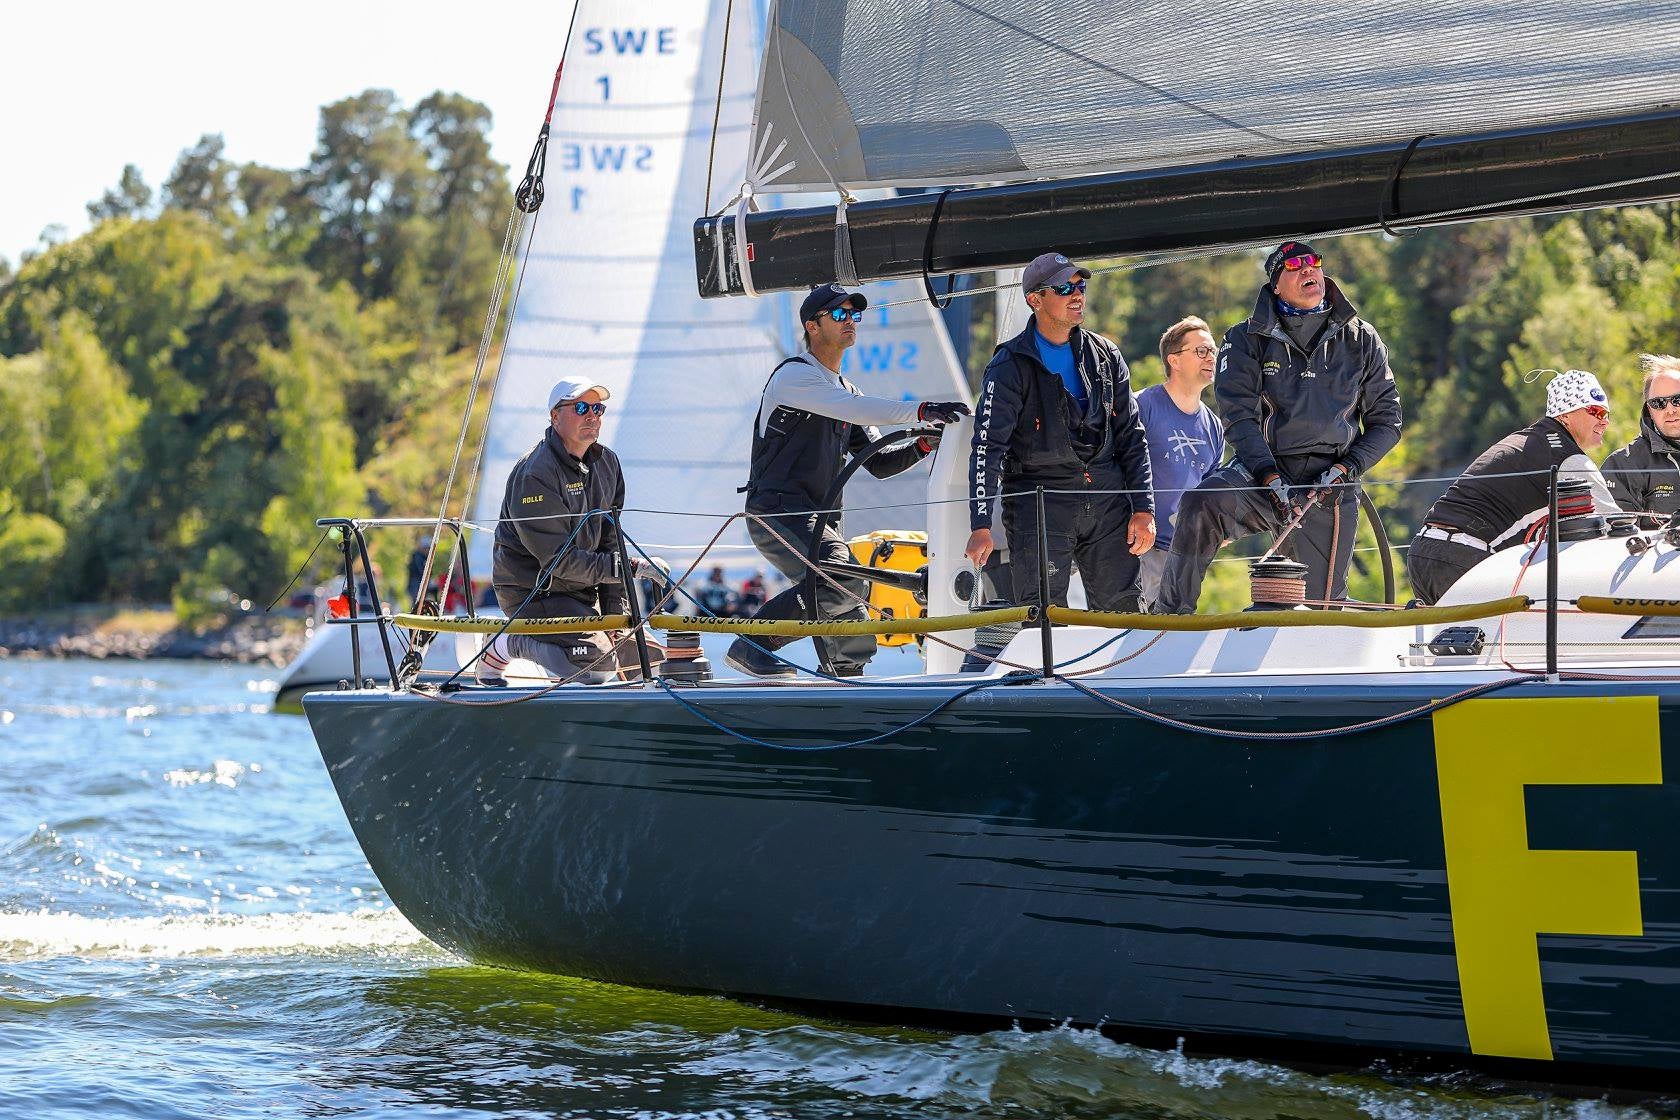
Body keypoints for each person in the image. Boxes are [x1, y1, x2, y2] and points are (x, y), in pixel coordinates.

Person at [727, 284, 972, 678]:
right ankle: (752, 644)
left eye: (853, 315)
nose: (849, 322)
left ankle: (845, 686)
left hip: (820, 521)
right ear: (812, 326)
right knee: (840, 580)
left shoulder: (845, 390)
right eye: (838, 315)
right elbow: (855, 408)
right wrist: (922, 409)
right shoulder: (794, 377)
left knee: (854, 625)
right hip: (780, 513)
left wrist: (924, 444)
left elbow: (880, 464)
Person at [1155, 241, 1403, 613]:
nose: (1308, 270)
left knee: (1320, 610)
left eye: (1314, 262)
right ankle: (1171, 618)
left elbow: (1388, 422)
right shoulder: (1243, 339)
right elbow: (1239, 416)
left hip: (1329, 484)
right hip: (1260, 473)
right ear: (1275, 284)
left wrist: (1347, 468)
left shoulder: (1362, 338)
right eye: (1294, 266)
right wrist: (1268, 475)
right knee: (1200, 503)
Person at [965, 252, 1156, 610]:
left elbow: (1132, 435)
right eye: (1064, 288)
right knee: (1043, 621)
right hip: (1039, 502)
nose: (1077, 294)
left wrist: (1144, 509)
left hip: (1107, 500)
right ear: (1034, 300)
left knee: (1125, 614)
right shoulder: (1008, 365)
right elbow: (987, 448)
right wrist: (980, 524)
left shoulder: (1106, 354)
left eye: (1080, 285)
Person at [482, 376, 648, 685]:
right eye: (581, 407)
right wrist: (631, 567)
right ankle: (503, 643)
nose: (592, 416)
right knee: (597, 666)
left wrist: (617, 620)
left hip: (578, 595)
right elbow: (559, 562)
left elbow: (611, 543)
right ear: (555, 416)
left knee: (639, 657)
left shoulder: (607, 464)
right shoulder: (535, 474)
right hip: (533, 594)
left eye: (598, 408)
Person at [1406, 368, 1620, 605]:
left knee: (1448, 639)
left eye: (1607, 413)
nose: (1604, 420)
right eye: (1595, 411)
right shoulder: (1569, 458)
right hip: (1465, 556)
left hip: (1422, 551)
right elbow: (1615, 526)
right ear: (1565, 415)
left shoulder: (1526, 440)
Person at [1136, 317, 1224, 610]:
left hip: (1185, 555)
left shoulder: (1214, 427)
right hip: (1139, 549)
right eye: (1201, 351)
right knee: (1142, 636)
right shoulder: (1141, 406)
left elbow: (1212, 492)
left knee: (1174, 639)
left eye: (1213, 350)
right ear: (1174, 360)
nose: (1211, 356)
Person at [1603, 354, 1680, 526]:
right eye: (1658, 403)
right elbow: (1618, 538)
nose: (1670, 410)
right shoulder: (1622, 465)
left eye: (1677, 400)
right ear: (1649, 410)